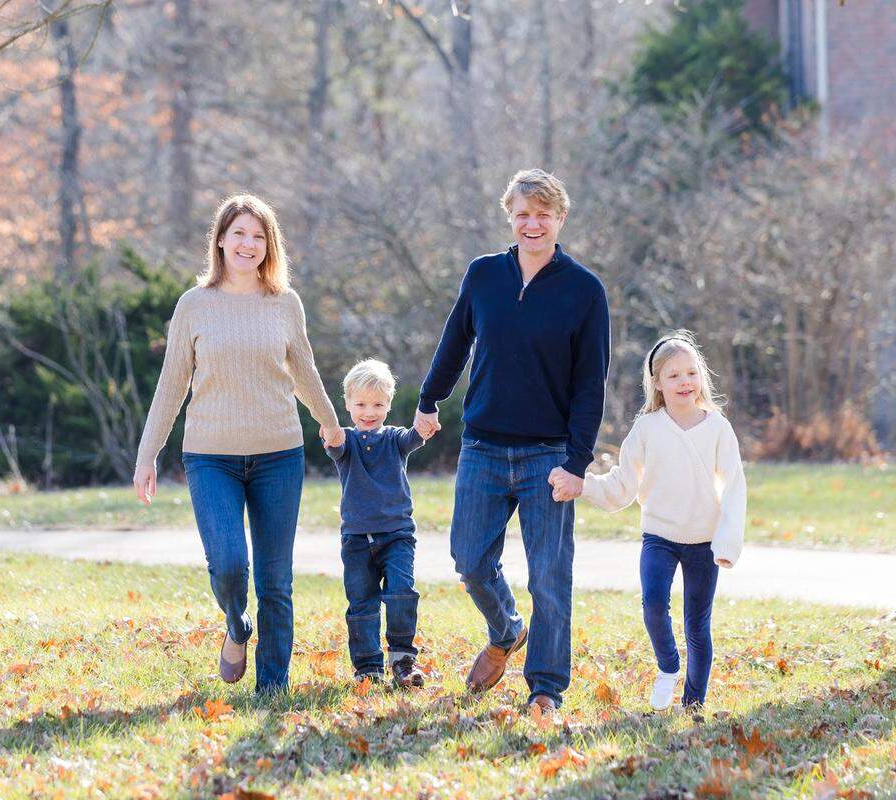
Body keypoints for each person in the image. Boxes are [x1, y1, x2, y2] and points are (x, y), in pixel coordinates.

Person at [132, 194, 344, 695]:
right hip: (210, 457)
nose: (249, 244)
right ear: (221, 240)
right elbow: (171, 383)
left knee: (276, 582)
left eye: (259, 235)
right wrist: (148, 454)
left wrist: (331, 425)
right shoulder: (194, 304)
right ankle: (235, 625)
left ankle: (273, 688)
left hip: (279, 456)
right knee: (228, 564)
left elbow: (305, 372)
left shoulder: (285, 304)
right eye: (239, 233)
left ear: (269, 244)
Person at [415, 169, 610, 711]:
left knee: (549, 575)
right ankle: (506, 631)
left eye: (543, 214)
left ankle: (546, 689)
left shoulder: (585, 291)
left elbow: (590, 385)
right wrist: (429, 400)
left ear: (560, 219)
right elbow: (454, 342)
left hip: (548, 455)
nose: (532, 223)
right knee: (469, 558)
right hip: (481, 445)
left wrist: (577, 462)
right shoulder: (483, 276)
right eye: (522, 214)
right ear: (510, 216)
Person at [560, 330, 745, 710]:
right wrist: (585, 486)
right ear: (657, 383)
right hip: (659, 536)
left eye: (691, 373)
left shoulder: (717, 427)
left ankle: (693, 703)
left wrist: (726, 543)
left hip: (703, 541)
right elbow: (623, 485)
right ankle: (668, 665)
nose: (684, 382)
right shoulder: (647, 428)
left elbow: (734, 487)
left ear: (701, 378)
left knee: (697, 625)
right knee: (653, 604)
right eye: (674, 375)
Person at [324, 359, 429, 688]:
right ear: (347, 405)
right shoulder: (347, 442)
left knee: (401, 591)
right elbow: (334, 445)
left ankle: (402, 658)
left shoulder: (395, 438)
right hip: (356, 539)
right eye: (361, 404)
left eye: (378, 404)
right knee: (362, 603)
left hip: (397, 535)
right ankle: (368, 667)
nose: (369, 412)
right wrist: (329, 430)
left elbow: (413, 438)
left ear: (389, 404)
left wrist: (423, 427)